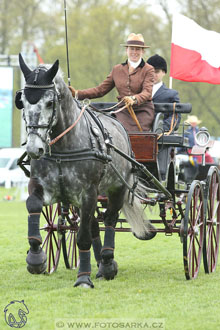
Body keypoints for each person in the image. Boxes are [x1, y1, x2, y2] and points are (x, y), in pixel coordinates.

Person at [69, 33, 155, 132]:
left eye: (138, 49)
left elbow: (147, 92)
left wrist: (134, 98)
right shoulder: (117, 69)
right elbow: (100, 90)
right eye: (132, 49)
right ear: (126, 50)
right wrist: (77, 93)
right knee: (115, 131)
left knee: (137, 135)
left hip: (142, 111)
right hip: (123, 111)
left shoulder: (148, 69)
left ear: (142, 51)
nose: (134, 52)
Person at [146, 54, 181, 132]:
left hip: (162, 137)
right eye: (151, 72)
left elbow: (175, 117)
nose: (153, 75)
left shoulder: (172, 94)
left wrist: (160, 128)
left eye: (157, 72)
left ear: (164, 72)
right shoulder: (139, 91)